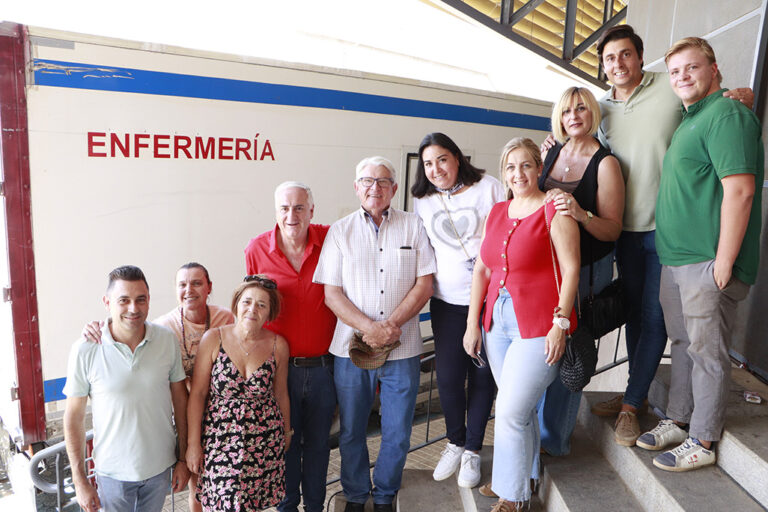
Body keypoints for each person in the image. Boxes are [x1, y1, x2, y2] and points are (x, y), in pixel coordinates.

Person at [581, 24, 754, 447]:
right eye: (609, 58)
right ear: (602, 68)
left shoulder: (674, 91)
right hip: (632, 231)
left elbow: (737, 174)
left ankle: (643, 409)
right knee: (646, 319)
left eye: (625, 54)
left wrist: (742, 94)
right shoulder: (603, 108)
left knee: (669, 326)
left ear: (641, 58)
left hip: (681, 238)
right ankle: (642, 401)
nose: (617, 63)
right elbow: (581, 134)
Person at [637, 37, 763, 472]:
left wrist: (724, 261)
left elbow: (741, 190)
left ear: (715, 70)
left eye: (692, 67)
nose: (682, 76)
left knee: (708, 352)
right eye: (675, 71)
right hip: (676, 260)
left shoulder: (727, 114)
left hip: (706, 261)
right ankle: (679, 417)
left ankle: (703, 439)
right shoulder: (693, 118)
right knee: (684, 344)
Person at [313, 156, 436, 512]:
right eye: (367, 181)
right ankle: (355, 495)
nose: (375, 188)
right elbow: (331, 293)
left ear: (395, 189)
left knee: (397, 432)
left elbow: (424, 283)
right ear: (356, 188)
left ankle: (384, 495)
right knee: (351, 430)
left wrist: (390, 327)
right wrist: (371, 329)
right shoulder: (341, 231)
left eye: (383, 182)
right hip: (351, 351)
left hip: (404, 349)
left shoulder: (413, 226)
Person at [463, 138, 579, 511]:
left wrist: (560, 323)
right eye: (511, 167)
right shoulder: (497, 211)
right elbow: (483, 268)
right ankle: (524, 476)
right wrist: (471, 325)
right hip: (496, 322)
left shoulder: (554, 208)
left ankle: (511, 498)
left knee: (511, 409)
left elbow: (572, 266)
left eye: (526, 165)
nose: (518, 174)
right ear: (504, 173)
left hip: (540, 325)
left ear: (538, 168)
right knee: (521, 408)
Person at [82, 262, 234, 512]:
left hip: (221, 414)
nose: (189, 290)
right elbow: (128, 324)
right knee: (197, 487)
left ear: (209, 287)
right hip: (190, 414)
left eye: (197, 283)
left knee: (225, 486)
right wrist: (97, 326)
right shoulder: (165, 327)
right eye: (182, 284)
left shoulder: (224, 318)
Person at [410, 132, 504, 487]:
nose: (436, 169)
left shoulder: (489, 188)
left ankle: (473, 451)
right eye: (428, 164)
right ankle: (455, 440)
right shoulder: (423, 200)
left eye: (442, 160)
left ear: (457, 157)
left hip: (489, 298)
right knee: (448, 378)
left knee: (482, 377)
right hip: (447, 301)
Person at [537, 87, 625, 453]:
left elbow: (612, 228)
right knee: (543, 352)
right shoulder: (552, 153)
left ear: (593, 114)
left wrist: (581, 214)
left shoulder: (606, 163)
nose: (574, 115)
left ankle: (553, 441)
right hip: (547, 269)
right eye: (567, 110)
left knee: (570, 354)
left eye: (581, 109)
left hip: (586, 272)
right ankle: (537, 436)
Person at [63, 265, 189, 512]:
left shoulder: (166, 340)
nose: (134, 308)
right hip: (112, 475)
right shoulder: (86, 349)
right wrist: (80, 480)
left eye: (140, 300)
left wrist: (182, 459)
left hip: (160, 470)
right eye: (124, 300)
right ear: (107, 302)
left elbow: (181, 403)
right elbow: (73, 418)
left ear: (149, 301)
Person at [244, 181, 337, 512]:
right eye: (284, 208)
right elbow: (249, 308)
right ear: (275, 212)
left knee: (317, 446)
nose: (292, 215)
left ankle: (315, 507)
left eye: (299, 207)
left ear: (312, 210)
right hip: (280, 372)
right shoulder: (256, 250)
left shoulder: (330, 239)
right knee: (283, 442)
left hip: (325, 369)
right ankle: (287, 507)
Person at [186, 275, 291, 509]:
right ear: (237, 303)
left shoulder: (278, 345)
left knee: (250, 504)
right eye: (247, 301)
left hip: (263, 440)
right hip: (220, 440)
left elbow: (281, 394)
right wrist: (193, 443)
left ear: (269, 312)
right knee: (224, 501)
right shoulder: (214, 339)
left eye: (261, 304)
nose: (252, 309)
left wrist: (286, 433)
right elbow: (198, 394)